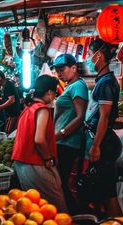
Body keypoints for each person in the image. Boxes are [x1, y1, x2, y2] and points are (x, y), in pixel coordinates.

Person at [12, 75, 68, 213]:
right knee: (57, 208)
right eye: (55, 93)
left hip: (20, 162)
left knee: (35, 208)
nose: (55, 97)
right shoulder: (42, 109)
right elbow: (39, 139)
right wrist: (48, 159)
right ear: (49, 92)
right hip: (34, 162)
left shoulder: (28, 108)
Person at [84, 39, 122, 217]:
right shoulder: (104, 80)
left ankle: (118, 221)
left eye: (90, 55)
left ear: (98, 55)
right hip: (104, 141)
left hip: (105, 143)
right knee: (102, 190)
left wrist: (96, 145)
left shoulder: (106, 82)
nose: (89, 59)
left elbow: (104, 117)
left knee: (108, 193)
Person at [53, 54, 88, 213]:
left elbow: (80, 117)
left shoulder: (78, 86)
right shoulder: (71, 86)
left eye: (62, 69)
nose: (59, 73)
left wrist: (60, 134)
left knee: (60, 183)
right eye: (57, 70)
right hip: (62, 142)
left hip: (68, 143)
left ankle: (75, 215)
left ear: (74, 68)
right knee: (60, 182)